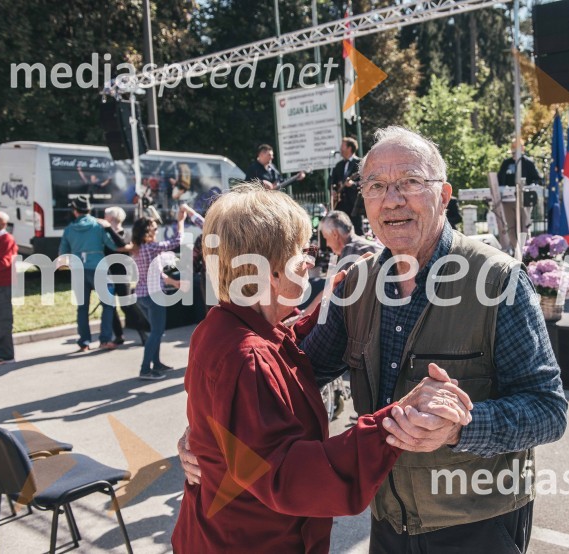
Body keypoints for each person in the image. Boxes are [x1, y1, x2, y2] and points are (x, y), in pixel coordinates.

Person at [181, 126, 568, 553]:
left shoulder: (499, 279)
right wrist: (211, 433)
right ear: (364, 201)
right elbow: (291, 374)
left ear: (444, 195)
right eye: (377, 186)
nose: (393, 198)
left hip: (476, 525)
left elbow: (548, 410)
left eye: (410, 183)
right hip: (388, 525)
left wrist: (462, 428)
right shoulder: (357, 284)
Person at [170, 184, 474, 553]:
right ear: (271, 275)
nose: (311, 262)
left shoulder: (222, 325)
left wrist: (329, 303)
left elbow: (279, 346)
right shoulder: (245, 357)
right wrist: (396, 419)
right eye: (302, 252)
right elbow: (289, 476)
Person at [130, 205, 187, 380]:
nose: (156, 231)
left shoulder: (138, 249)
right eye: (154, 229)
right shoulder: (151, 247)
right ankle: (145, 369)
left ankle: (157, 363)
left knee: (156, 331)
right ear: (147, 232)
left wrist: (173, 282)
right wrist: (181, 221)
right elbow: (177, 240)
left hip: (141, 295)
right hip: (153, 296)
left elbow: (155, 271)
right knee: (157, 332)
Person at [59, 195, 119, 352]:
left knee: (82, 307)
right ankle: (105, 339)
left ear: (75, 210)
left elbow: (63, 254)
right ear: (89, 209)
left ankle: (84, 341)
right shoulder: (97, 226)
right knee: (108, 304)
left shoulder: (69, 229)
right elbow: (112, 245)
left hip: (79, 270)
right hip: (99, 267)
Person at [100, 207, 132, 345]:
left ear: (111, 219)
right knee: (110, 307)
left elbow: (121, 243)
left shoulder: (126, 233)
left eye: (105, 216)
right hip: (108, 274)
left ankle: (143, 331)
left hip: (122, 275)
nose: (103, 219)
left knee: (127, 306)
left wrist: (108, 228)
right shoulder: (104, 235)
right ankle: (119, 335)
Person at [0, 211, 17, 365]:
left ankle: (6, 354)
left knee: (1, 319)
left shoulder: (6, 239)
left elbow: (3, 262)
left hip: (0, 285)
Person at [330, 137, 363, 235]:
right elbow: (331, 180)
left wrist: (353, 184)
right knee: (342, 230)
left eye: (342, 146)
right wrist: (333, 190)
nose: (340, 149)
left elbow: (365, 181)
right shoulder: (339, 165)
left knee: (357, 230)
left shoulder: (360, 163)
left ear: (349, 148)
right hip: (341, 204)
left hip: (354, 203)